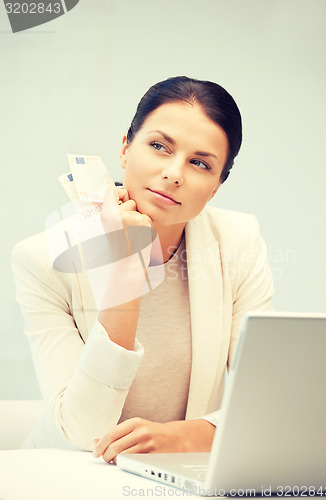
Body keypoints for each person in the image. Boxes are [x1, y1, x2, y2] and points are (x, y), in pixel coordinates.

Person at [11, 76, 274, 462]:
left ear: (216, 186)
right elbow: (84, 430)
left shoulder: (237, 241)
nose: (174, 173)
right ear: (125, 149)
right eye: (158, 147)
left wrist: (185, 438)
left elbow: (265, 400)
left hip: (179, 475)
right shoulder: (41, 259)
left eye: (200, 163)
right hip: (66, 474)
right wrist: (123, 275)